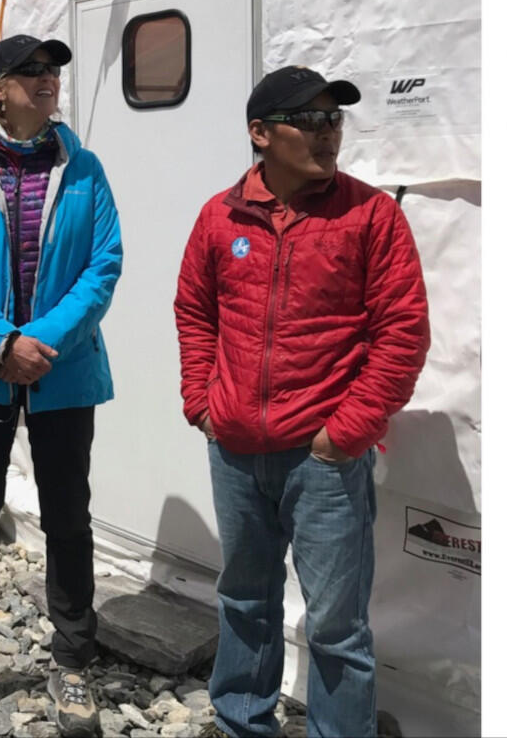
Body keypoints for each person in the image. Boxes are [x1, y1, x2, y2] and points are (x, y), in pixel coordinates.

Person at [174, 65, 430, 738]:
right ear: (261, 134)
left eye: (334, 119)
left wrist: (346, 431)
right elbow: (195, 311)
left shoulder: (371, 216)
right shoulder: (218, 217)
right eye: (309, 120)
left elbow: (402, 332)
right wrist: (202, 401)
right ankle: (240, 723)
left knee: (337, 627)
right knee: (243, 601)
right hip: (234, 451)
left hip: (322, 459)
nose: (327, 133)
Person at [0, 34, 123, 735]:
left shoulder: (85, 168)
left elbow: (104, 266)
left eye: (53, 72)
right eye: (31, 72)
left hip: (61, 373)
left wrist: (44, 343)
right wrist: (3, 342)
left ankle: (72, 663)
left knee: (69, 520)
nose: (47, 81)